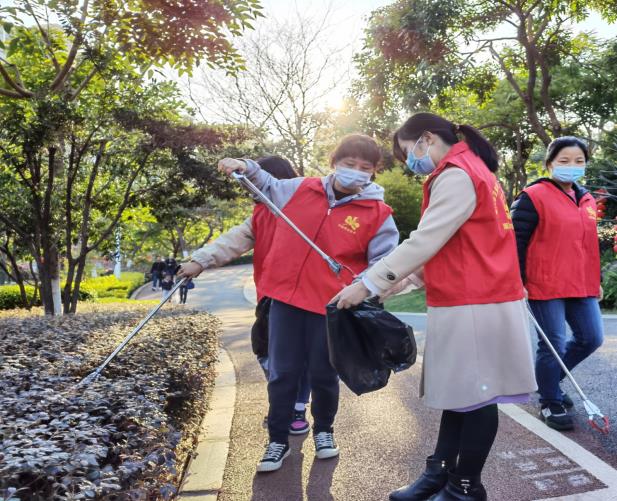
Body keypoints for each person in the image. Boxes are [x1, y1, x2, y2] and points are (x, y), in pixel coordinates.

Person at [333, 114, 536, 501]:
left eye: (408, 152)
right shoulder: (472, 169)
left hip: (474, 302)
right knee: (461, 395)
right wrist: (398, 283)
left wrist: (370, 283)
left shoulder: (456, 174)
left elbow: (425, 240)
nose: (412, 162)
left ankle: (465, 486)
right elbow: (450, 245)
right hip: (475, 297)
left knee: (476, 398)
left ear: (426, 138)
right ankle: (440, 473)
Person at [218, 134, 400, 473]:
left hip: (332, 307)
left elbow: (384, 261)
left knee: (324, 373)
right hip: (285, 301)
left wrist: (362, 288)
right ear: (334, 162)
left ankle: (324, 431)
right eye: (349, 164)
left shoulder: (378, 214)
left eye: (365, 167)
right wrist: (244, 165)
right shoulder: (299, 189)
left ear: (374, 171)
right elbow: (266, 183)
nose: (356, 172)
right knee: (282, 373)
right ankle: (277, 441)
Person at [179, 156, 313, 435]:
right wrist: (200, 261)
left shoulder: (309, 210)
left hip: (307, 296)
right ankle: (283, 402)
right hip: (270, 296)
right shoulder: (259, 215)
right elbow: (231, 241)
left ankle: (296, 408)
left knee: (302, 356)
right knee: (266, 351)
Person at [511, 136, 603, 432]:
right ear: (549, 164)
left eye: (579, 161)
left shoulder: (587, 199)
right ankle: (550, 400)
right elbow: (515, 241)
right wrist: (517, 280)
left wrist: (597, 280)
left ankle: (549, 382)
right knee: (553, 344)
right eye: (564, 161)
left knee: (591, 338)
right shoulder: (532, 196)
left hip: (582, 283)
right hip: (545, 283)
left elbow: (589, 244)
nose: (572, 166)